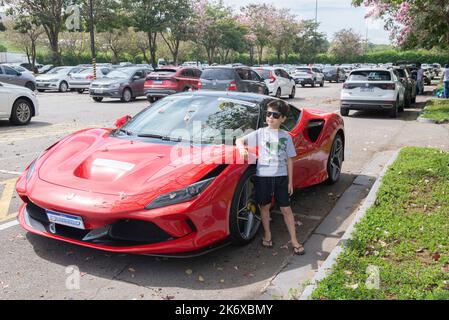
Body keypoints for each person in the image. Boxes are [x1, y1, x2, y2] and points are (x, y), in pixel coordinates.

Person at [236, 100, 305, 255]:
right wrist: (241, 149)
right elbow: (239, 140)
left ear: (283, 119)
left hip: (281, 177)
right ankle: (267, 234)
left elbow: (289, 159)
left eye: (275, 115)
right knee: (265, 207)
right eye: (268, 114)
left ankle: (294, 239)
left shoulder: (286, 137)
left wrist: (290, 182)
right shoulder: (260, 133)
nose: (271, 117)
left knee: (286, 208)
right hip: (263, 176)